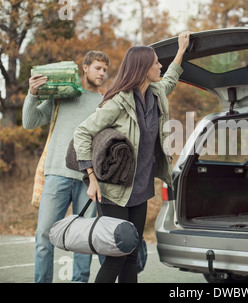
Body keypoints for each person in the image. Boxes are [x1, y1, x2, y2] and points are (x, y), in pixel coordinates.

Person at [73, 31, 190, 283]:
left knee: (131, 254)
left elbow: (170, 80)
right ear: (143, 68)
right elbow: (82, 132)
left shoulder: (156, 93)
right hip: (113, 191)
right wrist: (91, 178)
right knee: (116, 255)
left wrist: (181, 51)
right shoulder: (118, 101)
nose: (160, 66)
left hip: (140, 190)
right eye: (156, 62)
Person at [22, 51, 110, 283]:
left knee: (82, 242)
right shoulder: (62, 94)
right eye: (98, 68)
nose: (102, 73)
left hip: (88, 180)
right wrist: (32, 94)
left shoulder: (105, 102)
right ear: (85, 68)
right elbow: (29, 122)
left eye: (105, 70)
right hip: (57, 175)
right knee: (43, 236)